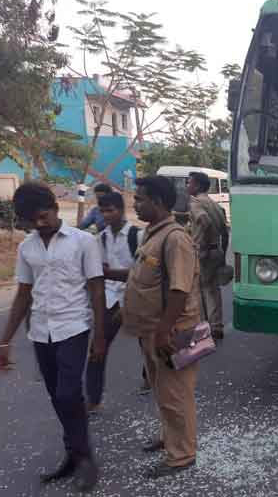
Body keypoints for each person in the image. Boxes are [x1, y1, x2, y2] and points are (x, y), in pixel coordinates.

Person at [0, 182, 105, 492]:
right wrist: (4, 341)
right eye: (32, 221)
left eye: (43, 216)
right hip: (41, 332)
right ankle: (73, 454)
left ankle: (85, 459)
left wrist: (100, 336)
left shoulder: (84, 242)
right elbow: (22, 295)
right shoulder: (26, 247)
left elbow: (96, 288)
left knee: (70, 393)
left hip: (73, 327)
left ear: (56, 208)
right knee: (58, 396)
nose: (39, 224)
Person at [121, 175, 201, 478]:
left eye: (140, 199)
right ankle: (171, 438)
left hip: (171, 332)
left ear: (158, 202)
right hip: (153, 331)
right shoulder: (152, 234)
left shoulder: (175, 238)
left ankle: (181, 455)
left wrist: (165, 331)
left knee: (175, 394)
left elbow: (180, 290)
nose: (135, 204)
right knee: (162, 391)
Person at [85, 192, 143, 414]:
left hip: (134, 297)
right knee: (97, 348)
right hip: (110, 300)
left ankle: (150, 378)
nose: (106, 215)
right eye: (102, 210)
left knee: (146, 343)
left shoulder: (137, 235)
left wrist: (110, 273)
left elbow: (141, 273)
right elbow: (97, 271)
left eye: (110, 210)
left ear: (122, 210)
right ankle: (93, 398)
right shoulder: (100, 238)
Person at [187, 171, 229, 341]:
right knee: (213, 290)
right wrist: (222, 253)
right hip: (216, 251)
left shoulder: (196, 203)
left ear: (197, 185)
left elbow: (204, 221)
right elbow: (225, 233)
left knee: (199, 291)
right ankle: (217, 326)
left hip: (202, 253)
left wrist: (202, 247)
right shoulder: (213, 203)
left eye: (189, 182)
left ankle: (205, 329)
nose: (187, 186)